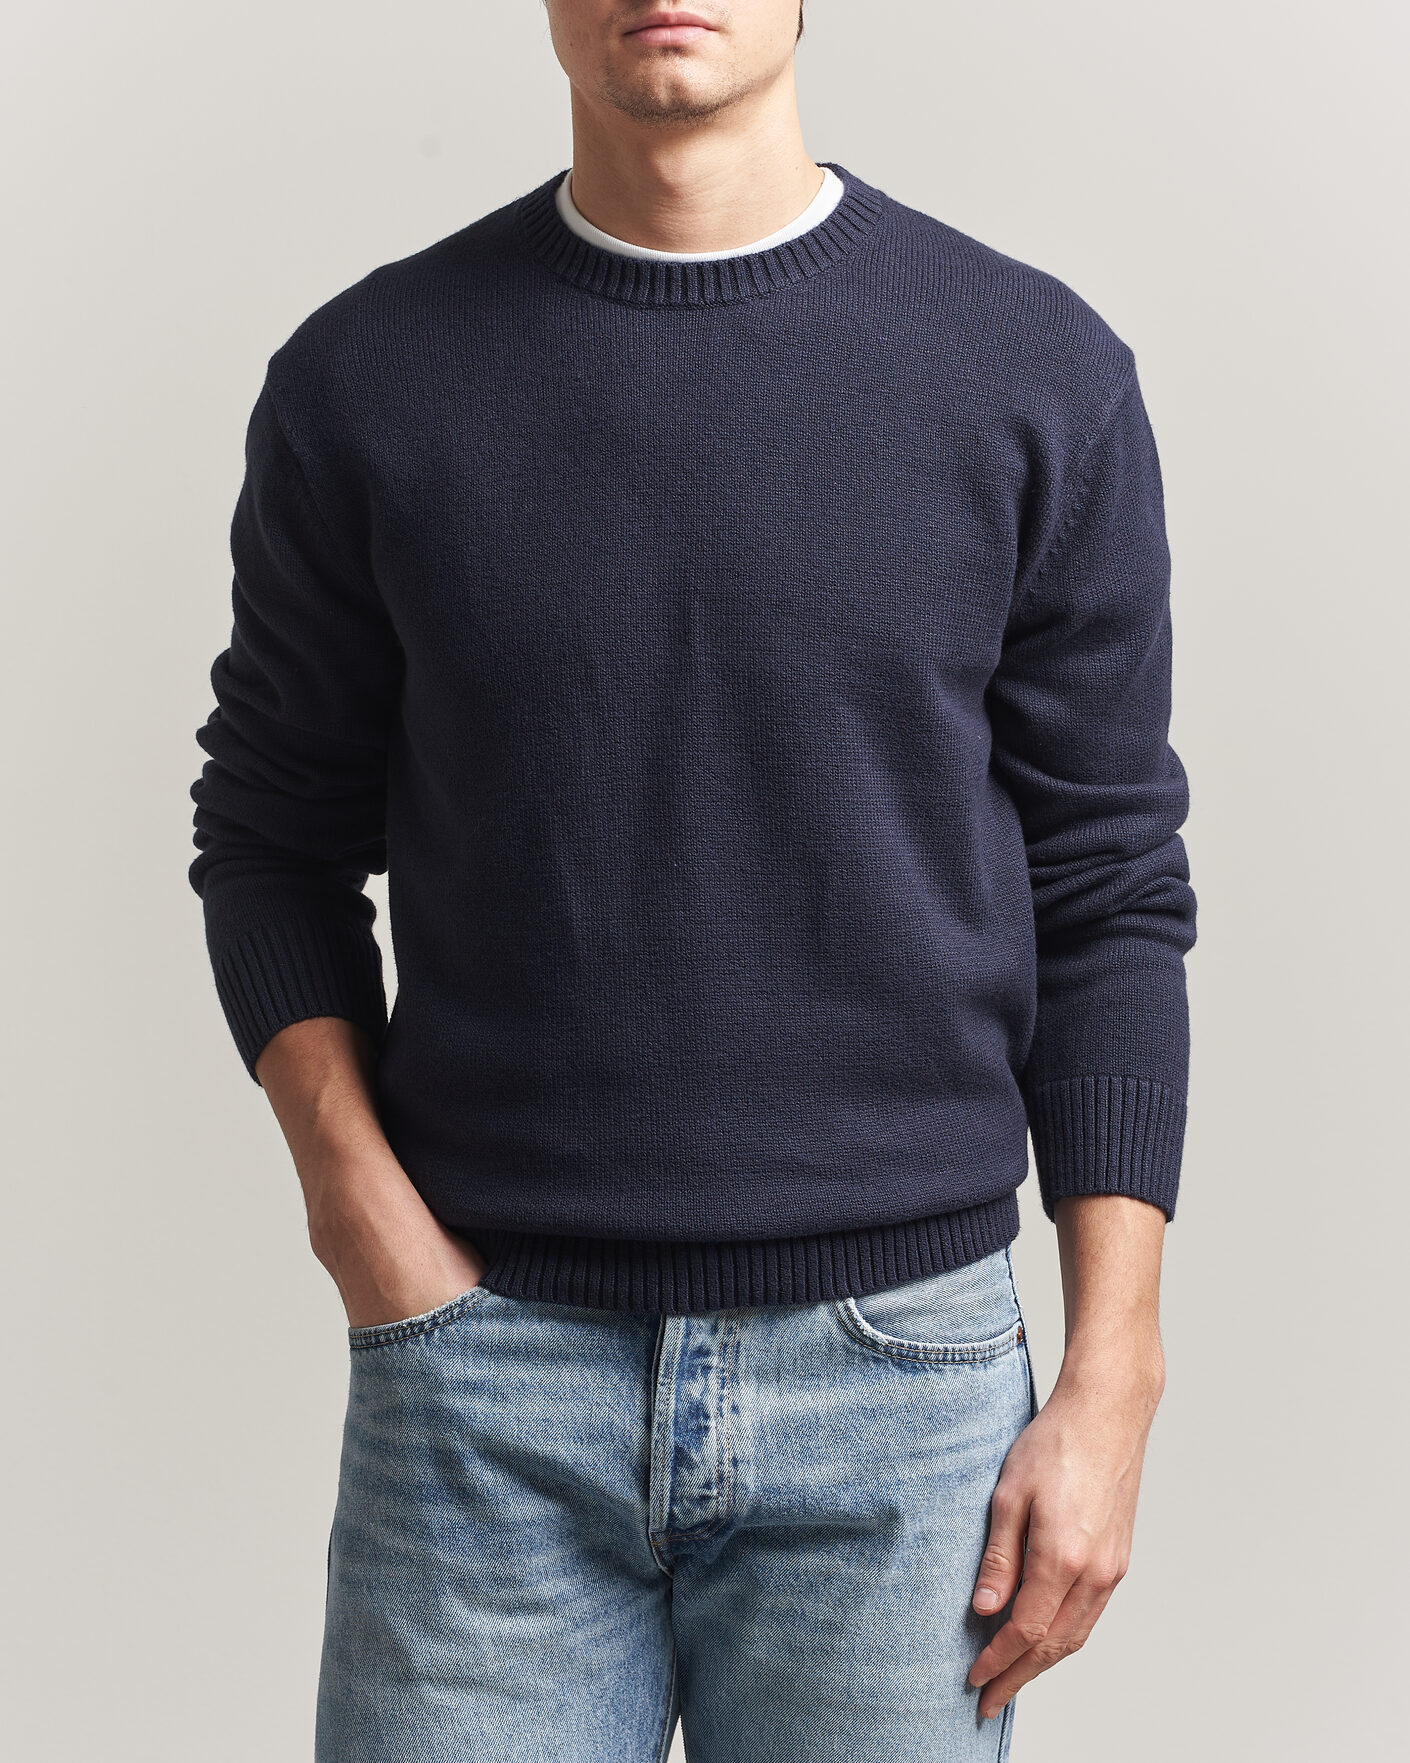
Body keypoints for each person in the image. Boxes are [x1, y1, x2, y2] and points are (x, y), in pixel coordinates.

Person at [188, 3, 1196, 1757]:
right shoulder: (367, 383)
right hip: (486, 1376)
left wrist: (1114, 1376)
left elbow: (1106, 886)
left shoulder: (1031, 371)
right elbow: (271, 835)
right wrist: (365, 1231)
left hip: (901, 1397)